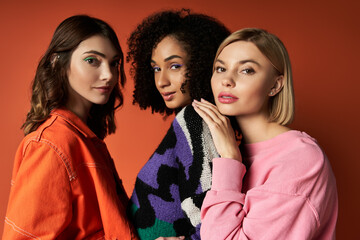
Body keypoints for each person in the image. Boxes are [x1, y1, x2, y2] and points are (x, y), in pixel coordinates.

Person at [193, 28, 338, 239]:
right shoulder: (214, 145)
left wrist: (230, 159)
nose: (227, 80)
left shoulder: (300, 159)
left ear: (275, 85)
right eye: (220, 68)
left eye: (246, 70)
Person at [3, 15, 138, 239]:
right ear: (58, 62)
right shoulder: (51, 145)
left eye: (114, 63)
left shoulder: (86, 139)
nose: (109, 75)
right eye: (92, 60)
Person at [126, 9, 230, 239]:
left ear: (201, 65)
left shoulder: (194, 119)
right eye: (156, 68)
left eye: (174, 66)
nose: (162, 81)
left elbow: (209, 212)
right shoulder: (190, 119)